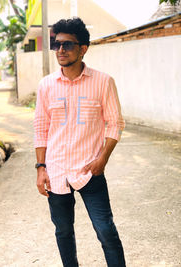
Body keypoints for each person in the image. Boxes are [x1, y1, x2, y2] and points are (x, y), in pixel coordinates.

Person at [34, 17, 126, 267]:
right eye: (56, 44)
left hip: (90, 170)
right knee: (63, 232)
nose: (60, 50)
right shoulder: (46, 86)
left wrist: (102, 159)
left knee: (106, 230)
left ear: (83, 48)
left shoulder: (103, 82)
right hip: (56, 172)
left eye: (67, 44)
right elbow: (41, 128)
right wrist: (41, 168)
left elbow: (115, 123)